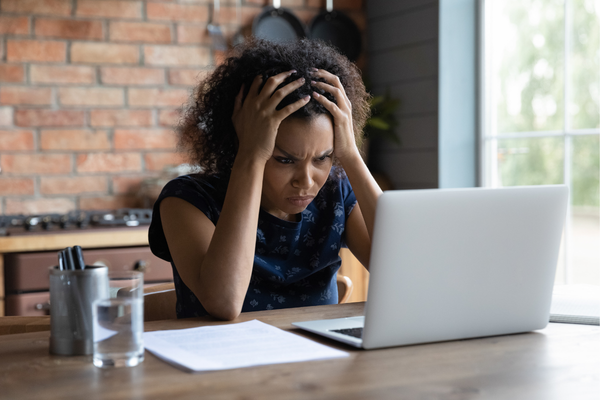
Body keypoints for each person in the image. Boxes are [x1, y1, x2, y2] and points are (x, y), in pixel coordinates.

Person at [149, 39, 382, 320]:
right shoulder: (188, 200)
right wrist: (250, 156)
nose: (306, 181)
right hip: (224, 362)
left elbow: (408, 273)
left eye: (323, 158)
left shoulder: (336, 192)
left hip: (316, 361)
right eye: (284, 160)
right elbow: (224, 302)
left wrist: (351, 155)